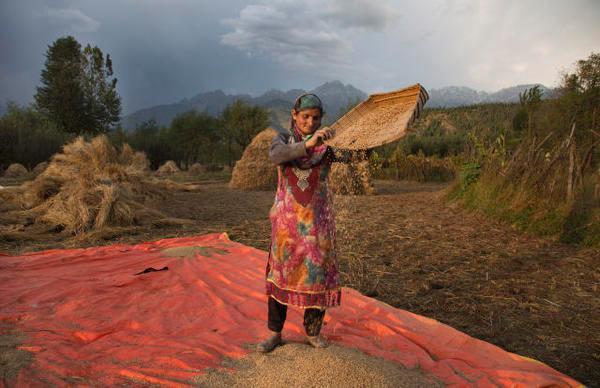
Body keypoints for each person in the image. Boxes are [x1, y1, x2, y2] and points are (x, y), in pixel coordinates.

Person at [257, 93, 351, 353]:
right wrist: (308, 144)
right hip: (287, 225)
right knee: (281, 277)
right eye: (306, 117)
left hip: (317, 225)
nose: (310, 122)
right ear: (294, 115)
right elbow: (276, 156)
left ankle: (312, 333)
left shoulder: (327, 147)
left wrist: (367, 139)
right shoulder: (283, 141)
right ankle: (275, 334)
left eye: (316, 118)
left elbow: (353, 155)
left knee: (317, 277)